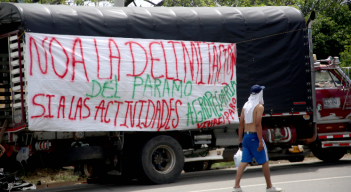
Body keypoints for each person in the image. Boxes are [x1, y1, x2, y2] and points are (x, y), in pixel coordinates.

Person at [233, 85, 282, 192]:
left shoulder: (245, 106)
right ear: (259, 94)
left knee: (244, 161)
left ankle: (236, 186)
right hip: (255, 137)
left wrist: (240, 140)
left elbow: (240, 125)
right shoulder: (259, 107)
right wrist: (260, 141)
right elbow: (258, 124)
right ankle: (269, 187)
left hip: (246, 137)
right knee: (264, 162)